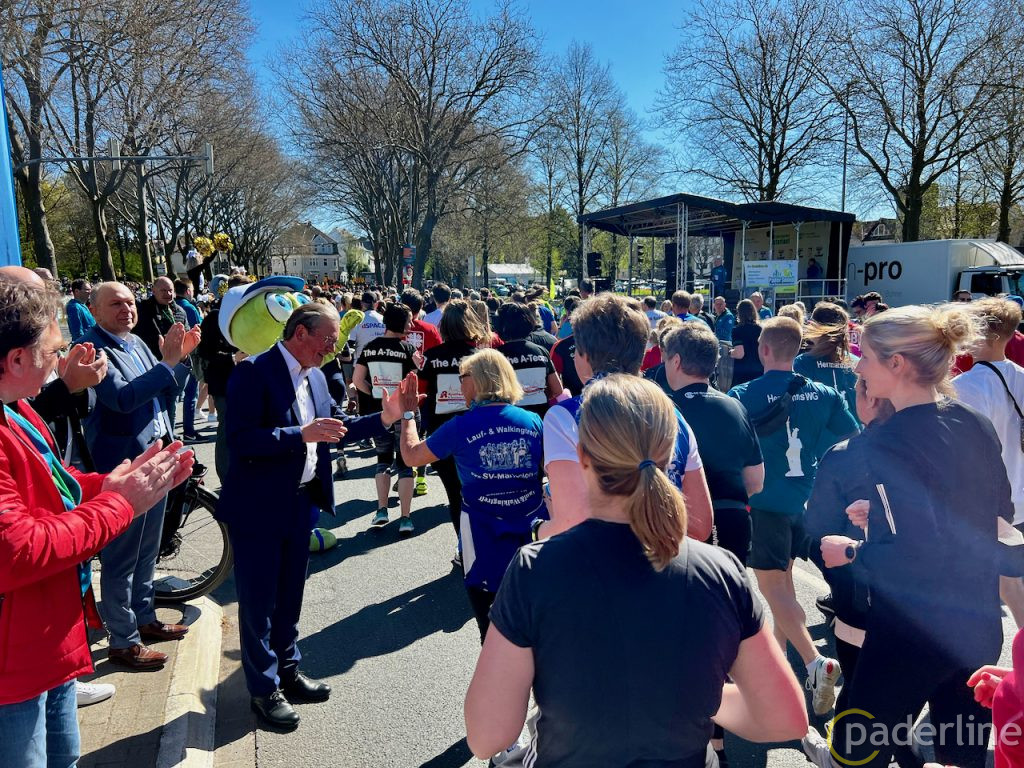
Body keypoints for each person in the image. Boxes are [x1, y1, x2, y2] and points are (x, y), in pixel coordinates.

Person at [464, 375, 809, 766]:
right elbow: (784, 718)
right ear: (670, 453)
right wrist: (695, 697)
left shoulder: (534, 568)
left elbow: (487, 738)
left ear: (582, 455)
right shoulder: (721, 571)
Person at [0, 280, 195, 768]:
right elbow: (17, 549)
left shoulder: (17, 408)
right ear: (17, 360)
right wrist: (119, 503)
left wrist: (108, 483)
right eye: (53, 351)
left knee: (65, 756)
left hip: (47, 640)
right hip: (15, 658)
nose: (60, 363)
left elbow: (56, 484)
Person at [811, 303, 1011, 768]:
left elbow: (916, 553)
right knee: (960, 755)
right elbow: (997, 512)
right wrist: (883, 517)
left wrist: (851, 550)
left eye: (865, 356)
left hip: (911, 630)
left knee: (856, 755)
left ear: (897, 363)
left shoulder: (887, 440)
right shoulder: (972, 421)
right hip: (977, 622)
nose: (858, 367)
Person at [217, 302, 405, 730]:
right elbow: (241, 440)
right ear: (300, 332)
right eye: (328, 339)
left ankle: (288, 671)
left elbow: (335, 429)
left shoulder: (317, 375)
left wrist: (386, 417)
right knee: (259, 602)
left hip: (302, 503)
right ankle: (263, 690)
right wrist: (298, 435)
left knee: (290, 597)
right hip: (259, 506)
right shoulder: (253, 372)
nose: (333, 348)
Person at [728, 316, 858, 716]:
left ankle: (813, 661)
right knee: (783, 585)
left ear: (763, 349)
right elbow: (850, 439)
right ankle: (783, 669)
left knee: (772, 590)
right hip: (806, 501)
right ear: (797, 349)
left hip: (764, 503)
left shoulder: (742, 394)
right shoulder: (822, 392)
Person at [658, 321, 766, 767]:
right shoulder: (734, 406)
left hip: (676, 523)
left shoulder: (659, 407)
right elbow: (756, 480)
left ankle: (693, 729)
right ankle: (718, 736)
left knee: (676, 630)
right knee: (721, 626)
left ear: (675, 361)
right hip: (733, 522)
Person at [80, 282, 199, 669]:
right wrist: (166, 365)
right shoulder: (92, 347)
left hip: (155, 457)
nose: (126, 309)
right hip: (124, 466)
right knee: (122, 556)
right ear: (94, 310)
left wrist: (178, 362)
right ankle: (123, 639)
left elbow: (167, 391)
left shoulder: (137, 342)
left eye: (130, 302)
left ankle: (144, 618)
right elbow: (123, 398)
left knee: (148, 550)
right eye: (115, 303)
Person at [540, 293, 713, 543]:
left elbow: (571, 523)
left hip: (599, 562)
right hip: (666, 557)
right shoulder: (672, 414)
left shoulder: (564, 418)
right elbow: (699, 526)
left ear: (585, 355)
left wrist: (537, 530)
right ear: (641, 353)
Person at [398, 351, 545, 642]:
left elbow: (411, 456)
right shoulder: (533, 421)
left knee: (492, 630)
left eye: (462, 378)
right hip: (534, 533)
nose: (459, 385)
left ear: (478, 381)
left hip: (483, 536)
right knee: (537, 621)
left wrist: (407, 414)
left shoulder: (460, 426)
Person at [954, 297, 1024, 626]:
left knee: (989, 585)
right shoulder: (1021, 376)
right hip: (1018, 498)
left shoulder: (965, 386)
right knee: (1010, 584)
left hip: (987, 504)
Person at [418, 300, 492, 560]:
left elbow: (421, 396)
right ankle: (483, 544)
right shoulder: (482, 358)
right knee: (482, 491)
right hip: (481, 433)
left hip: (442, 435)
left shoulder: (431, 358)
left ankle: (464, 548)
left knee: (454, 493)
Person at [353, 303, 419, 534]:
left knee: (382, 458)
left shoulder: (370, 347)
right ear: (400, 322)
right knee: (405, 462)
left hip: (379, 412)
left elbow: (357, 379)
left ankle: (381, 510)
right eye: (409, 320)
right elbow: (413, 382)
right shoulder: (407, 349)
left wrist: (373, 393)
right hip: (404, 412)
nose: (411, 324)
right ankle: (406, 518)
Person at [196, 274, 248, 480]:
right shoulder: (215, 316)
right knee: (227, 429)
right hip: (224, 382)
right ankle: (226, 479)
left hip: (247, 381)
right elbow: (204, 351)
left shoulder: (247, 314)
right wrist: (232, 358)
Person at [794, 302, 860, 429]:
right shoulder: (856, 363)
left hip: (820, 438)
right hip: (854, 434)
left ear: (813, 326)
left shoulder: (802, 364)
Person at [494, 301, 563, 417]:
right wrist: (537, 395)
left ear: (500, 326)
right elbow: (557, 390)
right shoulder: (541, 351)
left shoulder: (496, 356)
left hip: (510, 417)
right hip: (540, 415)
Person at [174, 278, 203, 442]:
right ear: (187, 291)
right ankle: (189, 431)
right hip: (190, 355)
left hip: (172, 355)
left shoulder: (171, 307)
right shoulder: (189, 308)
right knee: (191, 393)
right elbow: (198, 329)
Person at [729, 299, 764, 387]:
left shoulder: (737, 330)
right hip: (759, 370)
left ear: (739, 313)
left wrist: (730, 352)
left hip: (743, 373)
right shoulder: (761, 329)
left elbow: (739, 354)